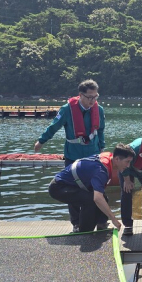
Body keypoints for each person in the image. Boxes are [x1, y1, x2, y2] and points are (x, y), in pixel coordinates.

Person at [34, 79, 106, 232]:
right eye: (89, 97)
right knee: (73, 190)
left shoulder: (98, 110)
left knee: (97, 187)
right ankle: (76, 223)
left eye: (95, 96)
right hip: (73, 156)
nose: (93, 100)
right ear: (80, 95)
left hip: (92, 156)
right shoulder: (67, 110)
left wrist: (101, 147)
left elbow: (100, 130)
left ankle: (101, 221)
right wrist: (41, 141)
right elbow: (54, 126)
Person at [48, 144, 135, 232]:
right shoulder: (101, 171)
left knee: (103, 198)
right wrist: (113, 219)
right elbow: (97, 198)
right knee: (91, 201)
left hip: (73, 184)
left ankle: (101, 224)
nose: (128, 165)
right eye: (127, 162)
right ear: (117, 159)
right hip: (58, 187)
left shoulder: (110, 157)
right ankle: (85, 232)